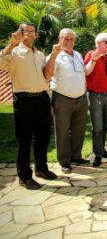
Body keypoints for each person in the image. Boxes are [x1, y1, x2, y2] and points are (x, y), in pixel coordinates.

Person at [0, 23, 57, 189]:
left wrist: (49, 99)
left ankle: (41, 168)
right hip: (24, 100)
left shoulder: (39, 54)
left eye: (33, 32)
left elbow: (45, 77)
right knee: (24, 140)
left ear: (36, 35)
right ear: (20, 33)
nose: (30, 34)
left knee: (43, 137)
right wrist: (11, 43)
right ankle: (24, 176)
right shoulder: (14, 52)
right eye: (26, 31)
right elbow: (0, 64)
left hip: (42, 99)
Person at [44, 28, 89, 174]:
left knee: (79, 129)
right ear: (59, 38)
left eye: (71, 39)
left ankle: (76, 156)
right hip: (63, 98)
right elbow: (47, 75)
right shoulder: (55, 56)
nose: (69, 42)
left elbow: (83, 73)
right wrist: (53, 55)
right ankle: (64, 161)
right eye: (66, 38)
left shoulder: (77, 55)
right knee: (62, 131)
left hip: (81, 98)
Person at [84, 32, 107, 167]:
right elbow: (87, 71)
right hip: (96, 95)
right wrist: (94, 59)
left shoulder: (106, 57)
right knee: (98, 127)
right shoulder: (92, 55)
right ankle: (97, 155)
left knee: (105, 125)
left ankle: (101, 151)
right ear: (98, 43)